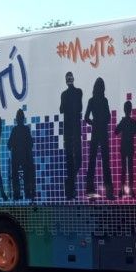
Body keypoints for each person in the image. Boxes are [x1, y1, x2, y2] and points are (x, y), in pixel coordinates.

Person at [84, 77, 114, 200]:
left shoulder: (92, 100)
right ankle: (109, 192)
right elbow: (108, 116)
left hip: (96, 131)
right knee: (105, 162)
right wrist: (101, 122)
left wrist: (94, 122)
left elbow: (86, 117)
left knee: (92, 161)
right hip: (102, 132)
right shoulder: (104, 100)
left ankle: (90, 191)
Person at [59, 71, 83, 200]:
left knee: (74, 161)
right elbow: (78, 108)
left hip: (71, 131)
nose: (69, 79)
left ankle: (70, 183)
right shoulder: (77, 92)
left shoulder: (67, 94)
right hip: (72, 131)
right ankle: (71, 188)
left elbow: (62, 109)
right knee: (73, 161)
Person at [115, 100, 136, 198]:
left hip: (124, 147)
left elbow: (116, 131)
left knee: (124, 170)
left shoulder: (124, 121)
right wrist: (132, 132)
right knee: (129, 170)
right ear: (130, 110)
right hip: (130, 147)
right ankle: (131, 190)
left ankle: (122, 191)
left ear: (124, 110)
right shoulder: (131, 121)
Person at [8, 108, 35, 201]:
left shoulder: (15, 130)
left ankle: (17, 194)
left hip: (16, 157)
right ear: (23, 118)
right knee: (26, 175)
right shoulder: (26, 129)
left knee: (15, 175)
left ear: (17, 119)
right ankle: (27, 193)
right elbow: (31, 144)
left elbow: (9, 144)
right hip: (24, 157)